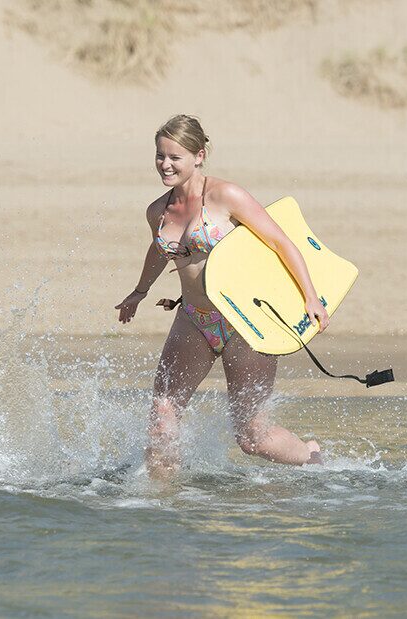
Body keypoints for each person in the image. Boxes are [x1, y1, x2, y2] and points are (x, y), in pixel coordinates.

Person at [115, 115, 328, 479]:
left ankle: (313, 458)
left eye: (175, 157)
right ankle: (160, 506)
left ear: (199, 155)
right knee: (162, 417)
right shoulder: (158, 211)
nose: (165, 165)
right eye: (159, 156)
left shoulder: (226, 196)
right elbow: (159, 250)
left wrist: (311, 297)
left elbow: (280, 241)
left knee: (252, 437)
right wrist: (140, 290)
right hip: (195, 319)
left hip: (246, 323)